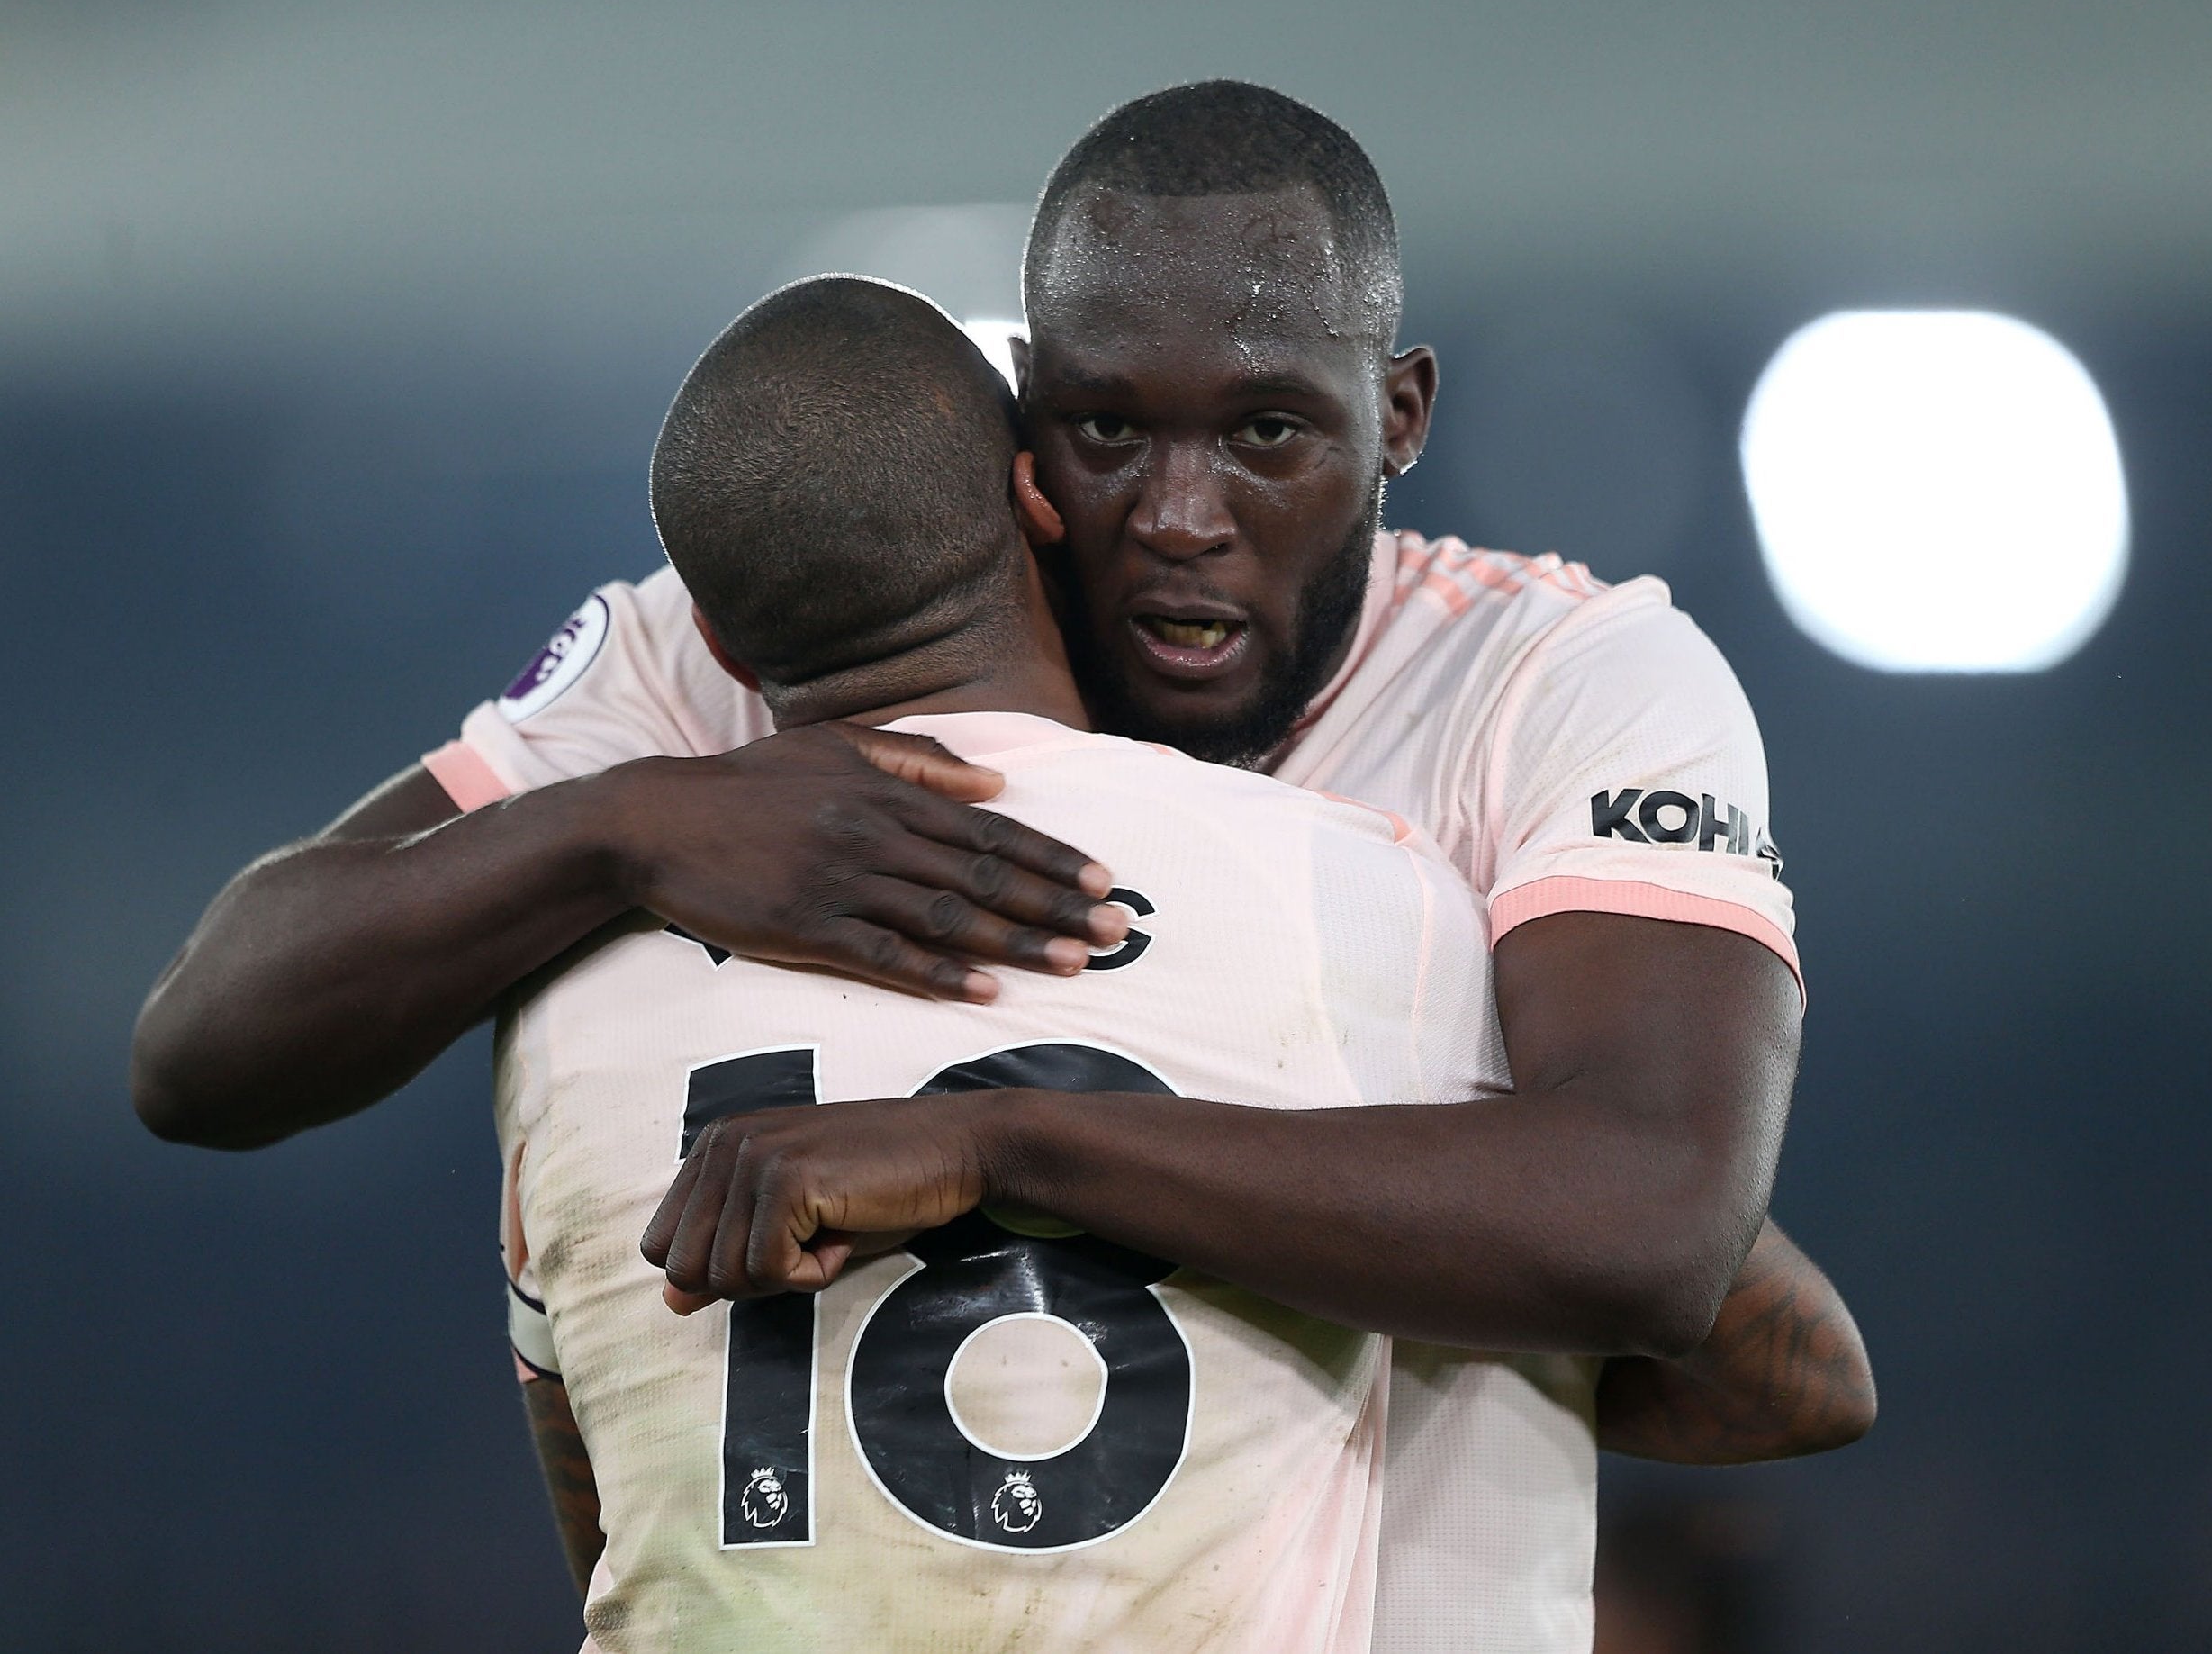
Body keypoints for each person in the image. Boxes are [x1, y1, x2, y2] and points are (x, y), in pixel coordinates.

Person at [133, 84, 1872, 1651]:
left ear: (1396, 414)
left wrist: (1004, 1144)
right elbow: (204, 1048)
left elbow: (1656, 1230)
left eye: (1267, 434)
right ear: (1023, 438)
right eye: (1108, 432)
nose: (1179, 514)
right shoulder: (744, 651)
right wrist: (621, 823)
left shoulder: (1545, 683)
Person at [503, 273, 1862, 1654]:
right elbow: (1789, 1373)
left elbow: (613, 1522)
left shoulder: (564, 1013)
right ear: (1039, 504)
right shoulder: (1359, 902)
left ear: (715, 639)